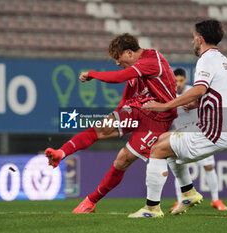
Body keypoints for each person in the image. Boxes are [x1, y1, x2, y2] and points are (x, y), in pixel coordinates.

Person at [45, 33, 177, 215]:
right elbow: (127, 96)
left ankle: (91, 201)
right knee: (101, 126)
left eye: (118, 57)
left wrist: (92, 74)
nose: (116, 62)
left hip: (158, 118)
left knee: (122, 159)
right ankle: (61, 153)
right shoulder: (135, 68)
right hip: (138, 109)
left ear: (130, 53)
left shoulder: (151, 60)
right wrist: (117, 116)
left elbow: (119, 77)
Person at [129, 19, 227, 217]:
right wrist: (197, 104)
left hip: (212, 130)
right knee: (164, 143)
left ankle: (151, 209)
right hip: (221, 128)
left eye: (192, 38)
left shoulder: (206, 59)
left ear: (200, 39)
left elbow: (199, 89)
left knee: (156, 148)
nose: (192, 42)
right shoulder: (225, 62)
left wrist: (164, 106)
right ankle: (187, 193)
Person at [170, 68, 227, 211]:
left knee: (208, 167)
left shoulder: (194, 92)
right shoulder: (169, 95)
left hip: (199, 134)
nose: (178, 83)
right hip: (181, 136)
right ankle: (180, 200)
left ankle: (215, 199)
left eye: (181, 80)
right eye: (175, 80)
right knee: (180, 167)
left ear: (185, 80)